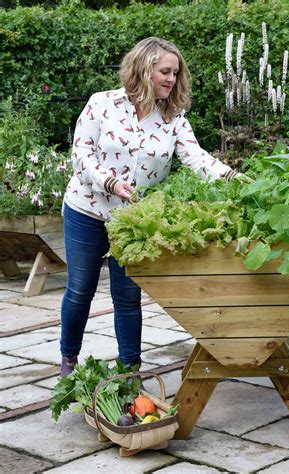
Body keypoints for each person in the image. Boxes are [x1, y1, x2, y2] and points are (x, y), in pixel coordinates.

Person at [60, 37, 241, 377]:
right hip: (87, 209)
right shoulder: (102, 104)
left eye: (176, 73)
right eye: (165, 72)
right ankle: (69, 361)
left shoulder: (173, 117)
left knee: (128, 297)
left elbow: (196, 157)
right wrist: (111, 183)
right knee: (80, 289)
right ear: (144, 69)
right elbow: (80, 156)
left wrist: (232, 177)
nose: (172, 79)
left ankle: (130, 373)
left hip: (133, 220)